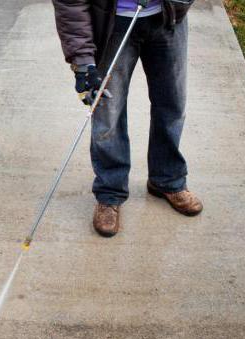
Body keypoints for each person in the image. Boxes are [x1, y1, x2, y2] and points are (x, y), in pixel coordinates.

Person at [53, 0, 203, 237]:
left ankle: (167, 179)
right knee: (108, 114)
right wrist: (83, 62)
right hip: (113, 24)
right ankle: (110, 192)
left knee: (172, 105)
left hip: (166, 18)